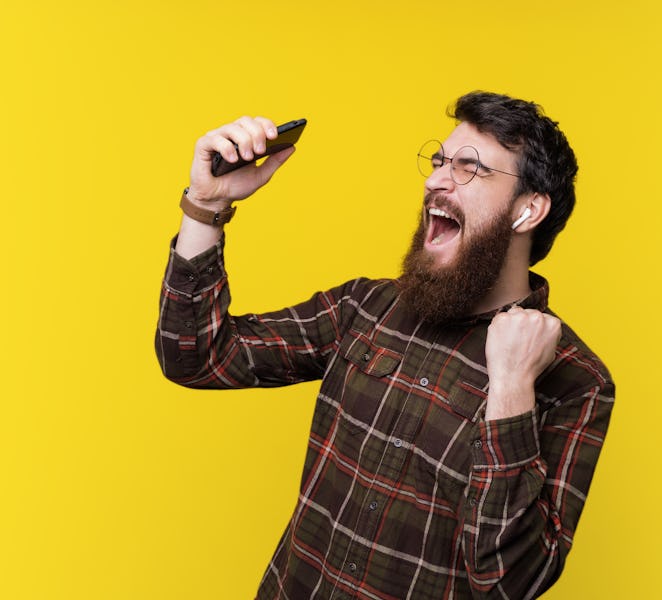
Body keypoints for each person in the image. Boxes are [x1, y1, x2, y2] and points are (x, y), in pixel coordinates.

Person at [156, 91, 615, 599]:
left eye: (470, 168)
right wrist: (206, 205)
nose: (436, 179)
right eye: (440, 161)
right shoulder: (366, 306)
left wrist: (511, 390)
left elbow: (508, 584)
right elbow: (196, 357)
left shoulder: (577, 382)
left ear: (527, 211)